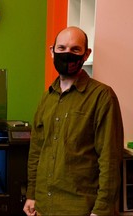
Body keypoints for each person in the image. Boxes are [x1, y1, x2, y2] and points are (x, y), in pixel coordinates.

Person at [23, 26, 124, 216]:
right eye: (61, 48)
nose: (67, 54)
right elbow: (37, 151)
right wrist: (32, 194)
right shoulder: (47, 97)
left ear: (86, 54)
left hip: (81, 209)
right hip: (44, 206)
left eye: (75, 49)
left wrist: (101, 211)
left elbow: (109, 159)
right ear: (52, 51)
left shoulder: (102, 96)